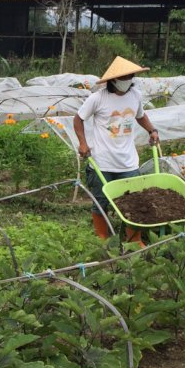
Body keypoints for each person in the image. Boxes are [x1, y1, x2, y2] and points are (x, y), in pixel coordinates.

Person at [73, 56, 161, 245]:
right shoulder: (97, 98)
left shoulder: (135, 95)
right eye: (124, 77)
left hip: (128, 162)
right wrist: (82, 143)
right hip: (102, 162)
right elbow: (78, 119)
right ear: (113, 80)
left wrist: (151, 130)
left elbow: (140, 115)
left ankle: (134, 240)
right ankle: (103, 239)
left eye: (131, 77)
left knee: (134, 203)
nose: (128, 81)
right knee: (101, 203)